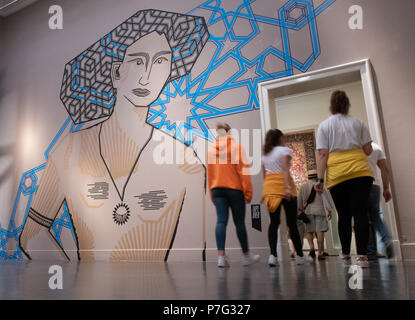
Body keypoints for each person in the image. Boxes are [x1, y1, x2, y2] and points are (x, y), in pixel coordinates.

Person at [19, 10, 209, 262]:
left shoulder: (186, 162)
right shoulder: (70, 149)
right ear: (116, 73)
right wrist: (74, 279)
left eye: (161, 62)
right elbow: (32, 233)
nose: (147, 75)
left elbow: (192, 260)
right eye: (138, 61)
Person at [315, 90, 374, 268]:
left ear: (331, 105)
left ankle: (346, 254)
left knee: (344, 215)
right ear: (347, 104)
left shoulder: (324, 126)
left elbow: (322, 154)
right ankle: (363, 256)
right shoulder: (358, 122)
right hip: (360, 172)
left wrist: (320, 179)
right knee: (361, 213)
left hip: (338, 175)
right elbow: (368, 150)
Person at [207, 123, 260, 268]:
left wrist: (212, 194)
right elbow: (243, 171)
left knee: (221, 221)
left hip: (217, 190)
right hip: (234, 190)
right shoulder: (237, 147)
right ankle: (246, 256)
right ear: (229, 132)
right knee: (239, 223)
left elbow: (210, 175)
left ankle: (221, 258)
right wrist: (248, 192)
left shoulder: (211, 151)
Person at [261, 129, 312, 266]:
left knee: (274, 223)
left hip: (270, 188)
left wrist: (265, 191)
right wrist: (287, 187)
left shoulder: (265, 155)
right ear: (280, 139)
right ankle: (300, 256)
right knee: (292, 224)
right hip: (284, 187)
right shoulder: (284, 151)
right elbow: (284, 168)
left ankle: (272, 256)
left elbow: (264, 175)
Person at [298, 170, 335, 260]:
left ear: (308, 177)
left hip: (307, 211)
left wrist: (301, 210)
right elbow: (325, 199)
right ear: (316, 177)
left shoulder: (303, 187)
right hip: (319, 211)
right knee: (320, 231)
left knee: (309, 231)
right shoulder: (320, 186)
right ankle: (320, 252)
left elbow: (299, 201)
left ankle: (311, 249)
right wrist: (329, 210)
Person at [367, 142, 394, 260]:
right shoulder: (376, 147)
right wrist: (386, 188)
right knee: (375, 217)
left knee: (364, 219)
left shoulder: (357, 147)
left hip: (362, 185)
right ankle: (387, 238)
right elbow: (385, 169)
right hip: (375, 186)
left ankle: (370, 252)